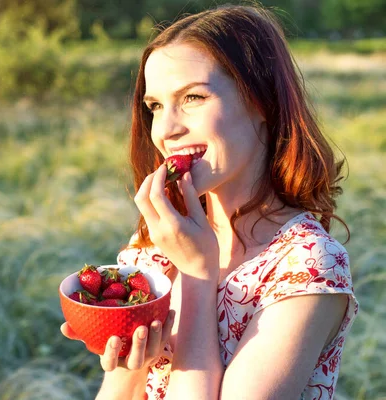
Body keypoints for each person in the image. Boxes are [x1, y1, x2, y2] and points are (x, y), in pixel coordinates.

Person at [61, 4, 358, 399]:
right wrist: (132, 365)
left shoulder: (306, 266)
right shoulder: (160, 242)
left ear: (262, 101)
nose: (166, 130)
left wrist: (199, 275)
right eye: (155, 106)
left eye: (193, 97)